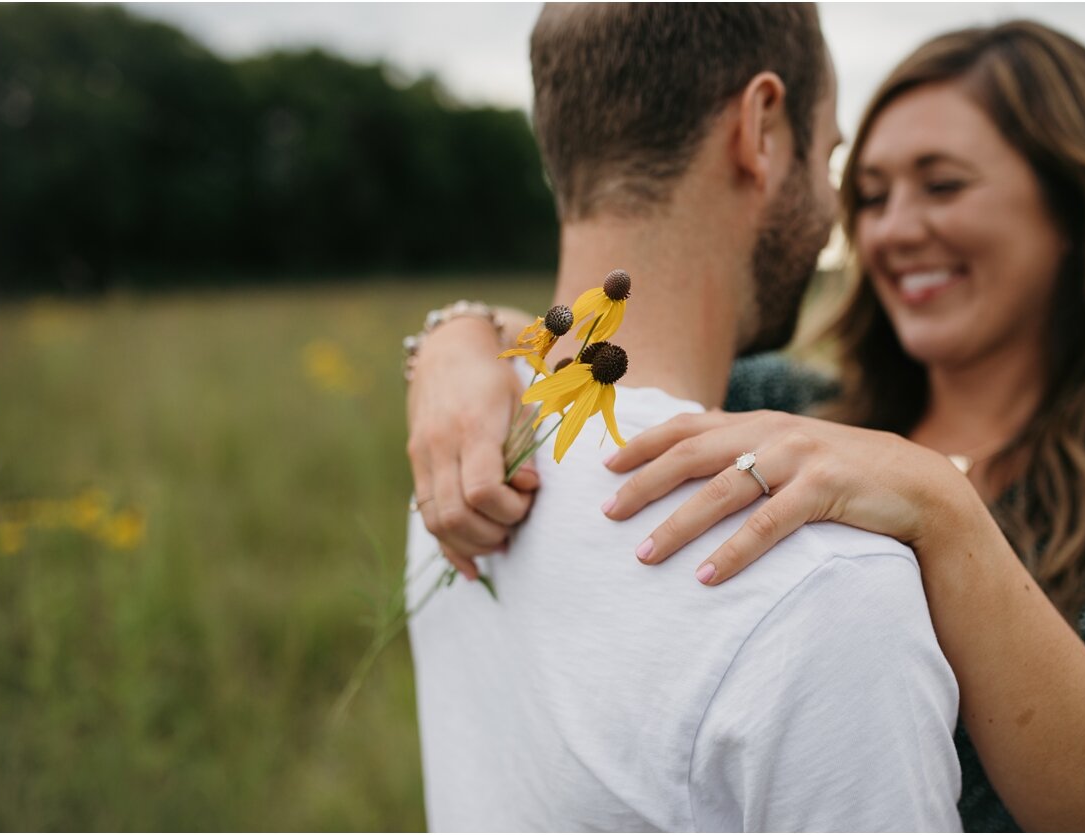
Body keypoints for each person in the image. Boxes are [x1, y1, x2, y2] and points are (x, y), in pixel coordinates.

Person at [405, 17, 1085, 833]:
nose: (890, 229)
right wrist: (458, 337)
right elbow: (623, 359)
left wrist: (944, 511)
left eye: (942, 184)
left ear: (1078, 206)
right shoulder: (785, 407)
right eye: (867, 193)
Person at [404, 5, 959, 830]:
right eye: (830, 154)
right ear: (762, 127)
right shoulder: (824, 591)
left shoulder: (456, 464)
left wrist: (452, 333)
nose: (835, 207)